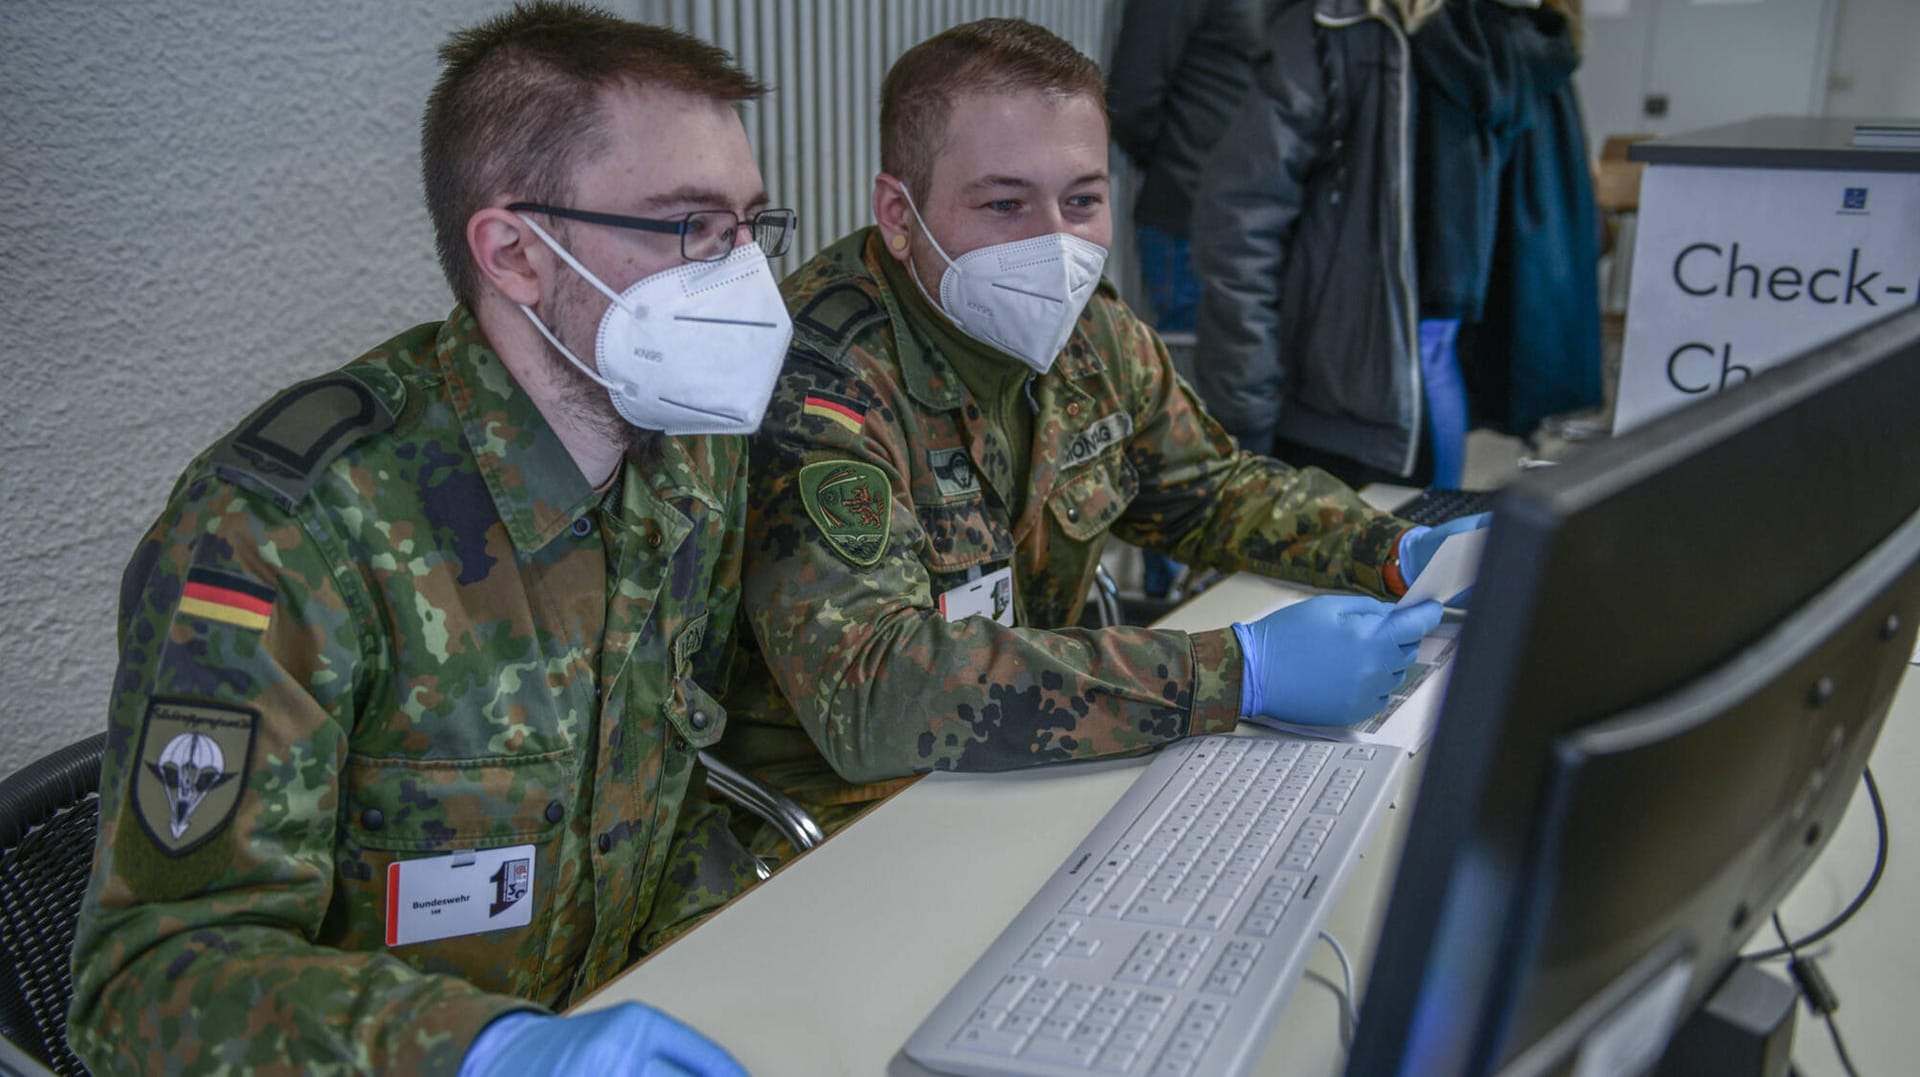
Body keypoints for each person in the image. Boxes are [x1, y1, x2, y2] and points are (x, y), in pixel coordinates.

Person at [67, 4, 793, 1073]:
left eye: (746, 228)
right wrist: (489, 1052)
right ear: (515, 253)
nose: (742, 279)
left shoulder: (688, 457)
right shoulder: (289, 530)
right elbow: (149, 978)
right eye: (687, 227)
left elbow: (672, 799)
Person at [716, 18, 1482, 853]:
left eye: (1082, 200)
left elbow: (1209, 490)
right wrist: (1237, 672)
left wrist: (1396, 549)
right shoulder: (817, 379)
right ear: (898, 213)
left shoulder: (1090, 332)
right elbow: (875, 692)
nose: (1058, 244)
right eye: (1006, 204)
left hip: (1037, 762)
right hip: (849, 820)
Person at [1190, 0, 1450, 491]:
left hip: (1431, 393)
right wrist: (1246, 402)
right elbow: (1241, 220)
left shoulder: (1483, 35)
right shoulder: (1331, 31)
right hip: (1335, 402)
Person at [1107, 0, 1286, 597]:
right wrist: (1189, 164)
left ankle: (1220, 578)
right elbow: (1133, 99)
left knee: (1234, 397)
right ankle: (1169, 592)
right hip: (1189, 212)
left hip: (1253, 214)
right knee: (1183, 413)